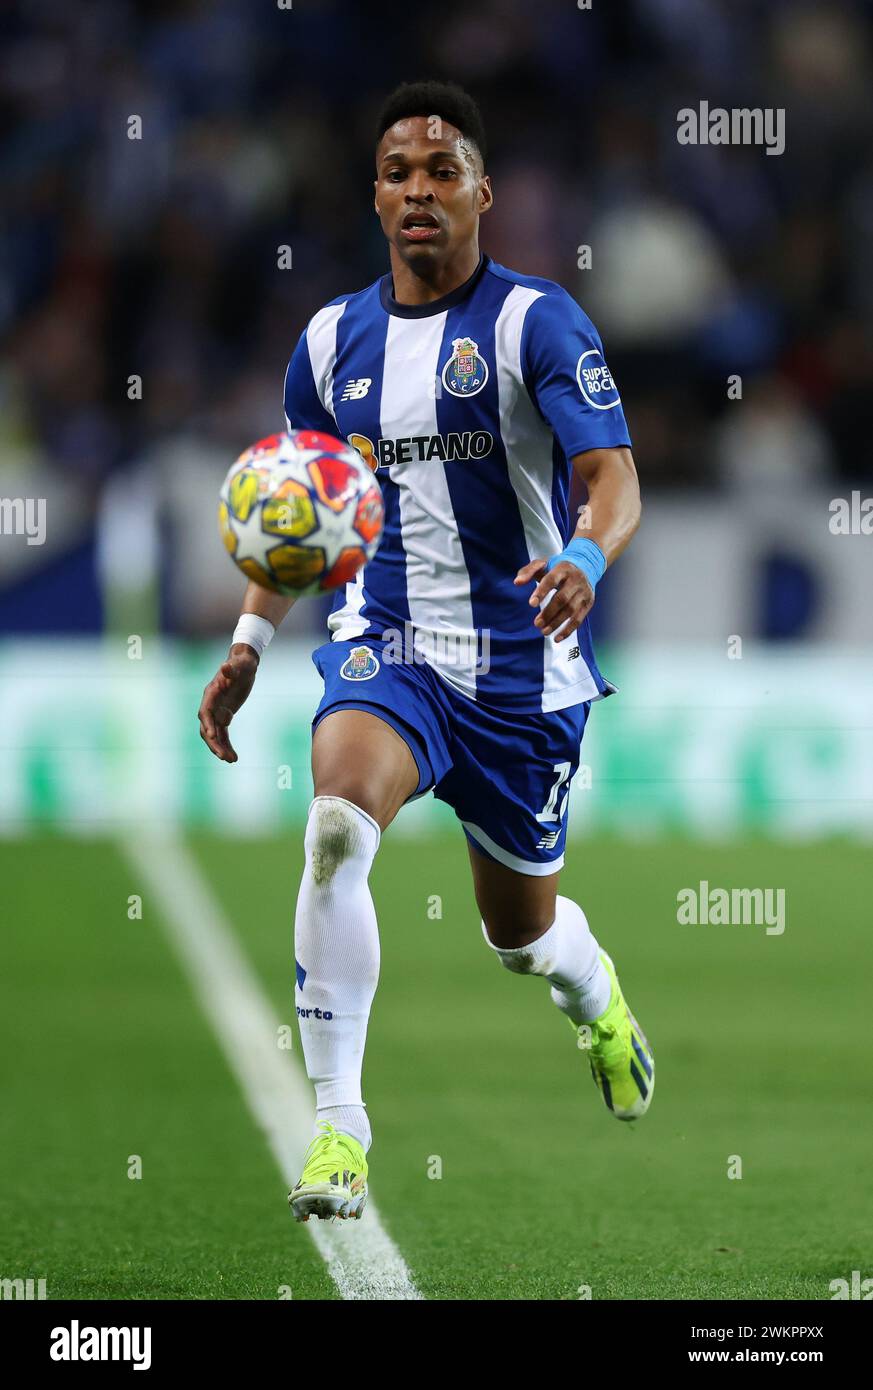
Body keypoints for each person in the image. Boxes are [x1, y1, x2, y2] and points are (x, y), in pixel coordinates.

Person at [198, 80, 653, 1223]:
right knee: (337, 823)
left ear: (483, 194)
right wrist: (253, 640)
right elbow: (305, 513)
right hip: (385, 644)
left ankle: (594, 995)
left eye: (441, 171)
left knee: (519, 936)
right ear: (375, 195)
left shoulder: (536, 322)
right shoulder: (327, 342)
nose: (418, 190)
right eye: (398, 171)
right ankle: (340, 1132)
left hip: (521, 665)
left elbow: (613, 480)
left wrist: (587, 565)